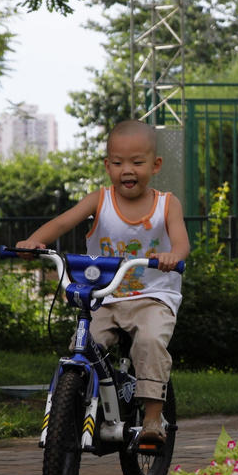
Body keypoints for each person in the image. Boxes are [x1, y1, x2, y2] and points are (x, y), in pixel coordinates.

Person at [17, 120, 190, 445]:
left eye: (137, 163)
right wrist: (34, 242)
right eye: (119, 162)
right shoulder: (100, 200)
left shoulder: (167, 204)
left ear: (155, 165)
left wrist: (173, 256)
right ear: (107, 165)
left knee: (150, 342)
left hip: (152, 297)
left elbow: (181, 243)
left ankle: (153, 417)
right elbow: (62, 222)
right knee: (83, 346)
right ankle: (79, 406)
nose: (128, 169)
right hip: (105, 299)